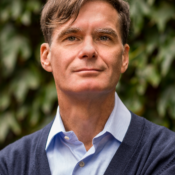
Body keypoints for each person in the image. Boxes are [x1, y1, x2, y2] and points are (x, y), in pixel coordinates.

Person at [1, 0, 175, 174]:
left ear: (124, 57)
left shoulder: (167, 156)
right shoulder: (9, 165)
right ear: (46, 56)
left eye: (104, 37)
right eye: (71, 38)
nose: (89, 50)